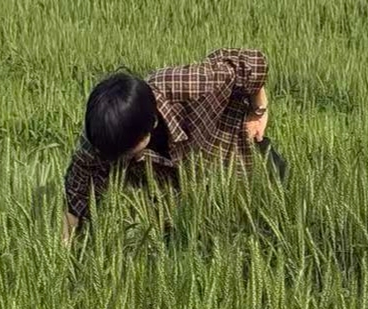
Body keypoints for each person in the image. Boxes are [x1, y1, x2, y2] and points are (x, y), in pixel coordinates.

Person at [61, 48, 282, 243]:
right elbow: (78, 191)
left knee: (272, 206)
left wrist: (259, 110)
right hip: (190, 197)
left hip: (236, 148)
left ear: (152, 123)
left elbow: (252, 63)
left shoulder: (190, 85)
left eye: (128, 152)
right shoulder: (101, 136)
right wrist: (64, 247)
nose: (122, 160)